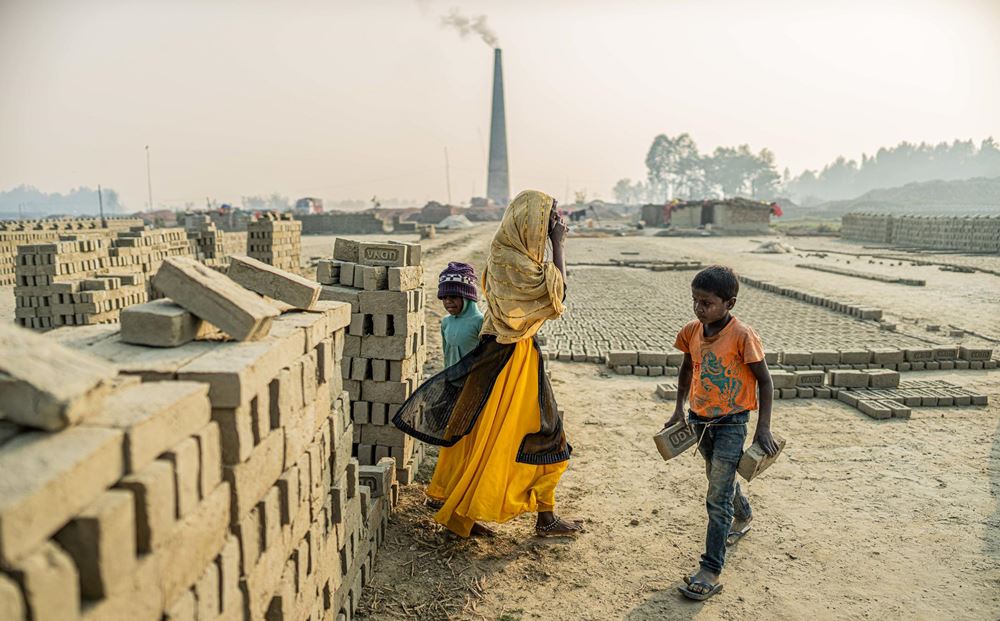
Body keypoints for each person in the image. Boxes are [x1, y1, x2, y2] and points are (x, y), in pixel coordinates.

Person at [394, 189, 582, 538]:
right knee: (533, 435)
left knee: (494, 434)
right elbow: (559, 296)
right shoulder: (514, 262)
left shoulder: (510, 256)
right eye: (549, 219)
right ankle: (515, 517)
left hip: (514, 354)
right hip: (509, 358)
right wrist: (559, 245)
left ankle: (486, 516)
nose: (553, 225)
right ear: (530, 221)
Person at [663, 265, 780, 601]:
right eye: (695, 300)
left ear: (729, 303)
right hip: (699, 420)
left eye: (707, 303)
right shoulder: (691, 331)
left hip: (731, 422)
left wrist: (763, 429)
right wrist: (677, 411)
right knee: (719, 477)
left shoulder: (743, 335)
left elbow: (765, 381)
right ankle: (742, 512)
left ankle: (711, 568)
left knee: (716, 496)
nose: (699, 308)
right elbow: (687, 368)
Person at [438, 262, 484, 368]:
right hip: (452, 380)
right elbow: (447, 355)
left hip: (473, 381)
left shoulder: (480, 322)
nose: (448, 301)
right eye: (444, 297)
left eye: (453, 296)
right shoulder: (446, 322)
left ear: (467, 297)